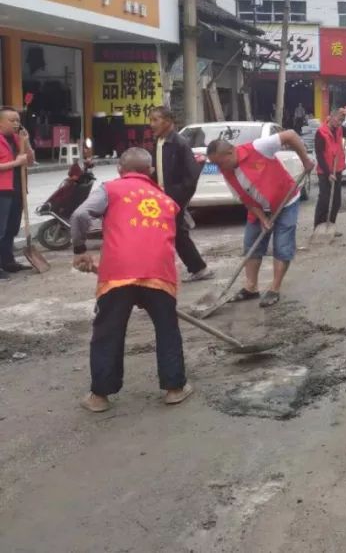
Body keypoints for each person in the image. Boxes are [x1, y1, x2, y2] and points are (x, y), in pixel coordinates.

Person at [72, 148, 191, 412]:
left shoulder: (110, 189)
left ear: (119, 169)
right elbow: (183, 229)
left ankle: (99, 397)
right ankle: (174, 389)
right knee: (167, 329)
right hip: (159, 273)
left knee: (107, 332)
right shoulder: (166, 199)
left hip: (119, 273)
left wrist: (80, 250)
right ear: (150, 171)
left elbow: (80, 215)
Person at [206, 129, 315, 307]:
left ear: (230, 152)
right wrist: (263, 218)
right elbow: (245, 199)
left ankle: (274, 288)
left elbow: (290, 135)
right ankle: (251, 288)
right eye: (214, 164)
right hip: (258, 207)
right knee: (252, 244)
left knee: (282, 244)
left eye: (219, 162)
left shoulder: (258, 147)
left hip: (285, 201)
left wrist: (305, 160)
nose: (218, 168)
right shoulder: (227, 173)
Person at [148, 107, 211, 282]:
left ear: (168, 121)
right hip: (160, 199)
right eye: (150, 120)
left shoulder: (179, 143)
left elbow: (191, 176)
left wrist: (179, 199)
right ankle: (196, 268)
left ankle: (197, 268)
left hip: (174, 200)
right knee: (172, 234)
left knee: (176, 234)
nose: (151, 124)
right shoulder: (158, 141)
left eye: (155, 120)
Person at [0, 107, 34, 279]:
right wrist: (15, 163)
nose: (16, 124)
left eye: (18, 120)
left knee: (12, 228)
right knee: (1, 229)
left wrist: (26, 142)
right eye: (11, 120)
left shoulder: (17, 139)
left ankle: (8, 261)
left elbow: (31, 160)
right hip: (2, 191)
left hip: (17, 189)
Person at [314, 108, 346, 232]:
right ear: (331, 117)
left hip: (337, 169)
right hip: (324, 171)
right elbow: (319, 155)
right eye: (339, 120)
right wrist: (328, 173)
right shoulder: (321, 132)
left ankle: (331, 226)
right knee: (324, 201)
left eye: (342, 121)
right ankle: (318, 227)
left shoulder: (339, 130)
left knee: (336, 201)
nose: (340, 123)